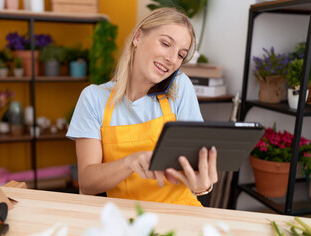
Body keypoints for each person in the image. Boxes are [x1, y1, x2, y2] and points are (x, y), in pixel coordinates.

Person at [67, 7, 218, 206]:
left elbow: (196, 165)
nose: (172, 59)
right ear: (138, 37)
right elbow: (87, 183)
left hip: (180, 214)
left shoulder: (180, 86)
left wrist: (202, 186)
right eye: (166, 44)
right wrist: (130, 162)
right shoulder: (94, 98)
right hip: (126, 219)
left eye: (181, 55)